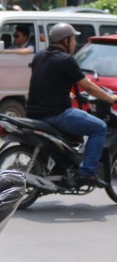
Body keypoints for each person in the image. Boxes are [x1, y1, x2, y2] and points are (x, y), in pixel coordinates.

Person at [26, 22, 117, 187]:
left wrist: (66, 94)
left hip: (33, 113)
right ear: (66, 40)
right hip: (57, 115)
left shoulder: (40, 56)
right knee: (99, 128)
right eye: (74, 39)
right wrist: (110, 98)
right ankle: (87, 173)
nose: (75, 43)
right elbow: (88, 86)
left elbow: (45, 81)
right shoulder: (66, 60)